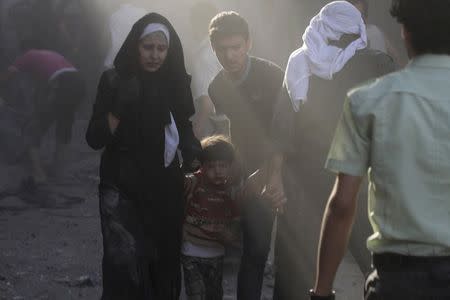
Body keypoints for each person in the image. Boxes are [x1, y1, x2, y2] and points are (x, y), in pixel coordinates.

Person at [310, 0, 450, 299]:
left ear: (405, 33)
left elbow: (342, 205)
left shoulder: (368, 101)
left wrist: (322, 290)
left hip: (399, 280)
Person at [282, 1, 395, 298]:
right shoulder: (375, 62)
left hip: (312, 174)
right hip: (357, 174)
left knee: (300, 258)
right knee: (373, 258)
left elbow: (283, 126)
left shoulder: (298, 62)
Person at [86, 13, 201, 299]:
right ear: (135, 46)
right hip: (122, 183)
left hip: (164, 185)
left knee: (163, 258)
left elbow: (184, 127)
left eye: (161, 49)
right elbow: (94, 137)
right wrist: (118, 110)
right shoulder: (113, 80)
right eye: (147, 47)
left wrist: (194, 161)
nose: (155, 55)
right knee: (123, 261)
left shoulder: (174, 82)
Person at [207, 11, 288, 300]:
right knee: (255, 252)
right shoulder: (218, 87)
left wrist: (271, 172)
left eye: (236, 47)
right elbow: (238, 133)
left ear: (249, 43)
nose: (230, 56)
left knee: (291, 260)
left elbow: (288, 131)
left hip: (290, 168)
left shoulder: (274, 75)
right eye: (222, 50)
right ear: (214, 49)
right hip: (252, 174)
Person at [0, 45, 85, 184]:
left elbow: (9, 74)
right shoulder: (49, 56)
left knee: (32, 130)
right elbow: (43, 92)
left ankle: (39, 175)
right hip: (79, 83)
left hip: (63, 84)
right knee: (63, 128)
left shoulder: (28, 55)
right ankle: (59, 172)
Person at [182, 135, 240, 300]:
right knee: (196, 295)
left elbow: (236, 219)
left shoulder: (230, 191)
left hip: (216, 254)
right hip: (191, 251)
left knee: (214, 295)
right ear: (202, 167)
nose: (218, 171)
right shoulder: (195, 182)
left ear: (230, 166)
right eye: (212, 166)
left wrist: (231, 234)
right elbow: (181, 183)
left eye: (223, 166)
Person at [188, 1, 222, 139]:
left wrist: (196, 131)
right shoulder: (219, 49)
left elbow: (207, 101)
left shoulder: (203, 55)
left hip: (213, 128)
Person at [103, 1, 147, 68]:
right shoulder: (143, 13)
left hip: (114, 58)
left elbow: (108, 39)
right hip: (134, 58)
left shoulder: (113, 16)